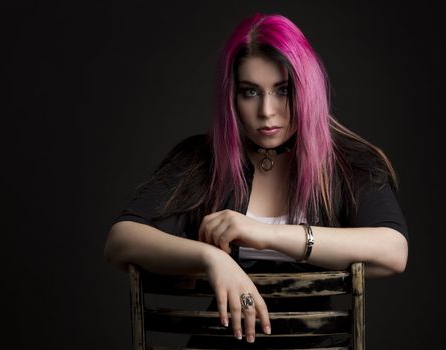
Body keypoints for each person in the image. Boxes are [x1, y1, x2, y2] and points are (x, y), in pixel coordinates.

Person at [103, 13, 408, 345]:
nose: (266, 111)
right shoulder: (199, 160)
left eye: (283, 91)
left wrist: (267, 235)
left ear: (307, 90)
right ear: (231, 97)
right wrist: (212, 258)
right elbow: (120, 241)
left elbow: (393, 251)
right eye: (250, 92)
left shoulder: (348, 164)